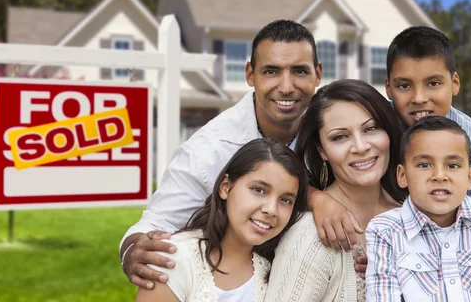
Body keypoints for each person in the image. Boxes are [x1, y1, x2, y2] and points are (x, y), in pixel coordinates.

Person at [120, 20, 365, 290]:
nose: (286, 86)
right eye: (271, 71)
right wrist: (133, 251)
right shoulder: (207, 151)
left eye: (299, 71)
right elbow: (156, 224)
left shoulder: (331, 126)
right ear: (250, 74)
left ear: (317, 74)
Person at [264, 80, 408, 302]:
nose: (360, 147)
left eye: (371, 128)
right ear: (322, 150)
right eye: (340, 137)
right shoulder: (310, 235)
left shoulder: (415, 215)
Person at [365, 116, 471, 302]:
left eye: (452, 165)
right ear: (402, 175)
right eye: (424, 165)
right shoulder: (384, 230)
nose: (439, 176)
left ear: (470, 177)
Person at [135, 138, 308, 302]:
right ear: (225, 187)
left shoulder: (275, 271)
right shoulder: (175, 259)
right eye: (259, 190)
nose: (271, 210)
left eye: (286, 200)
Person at [385, 26, 471, 207]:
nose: (419, 98)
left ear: (454, 84)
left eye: (433, 83)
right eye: (404, 86)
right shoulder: (371, 128)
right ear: (389, 88)